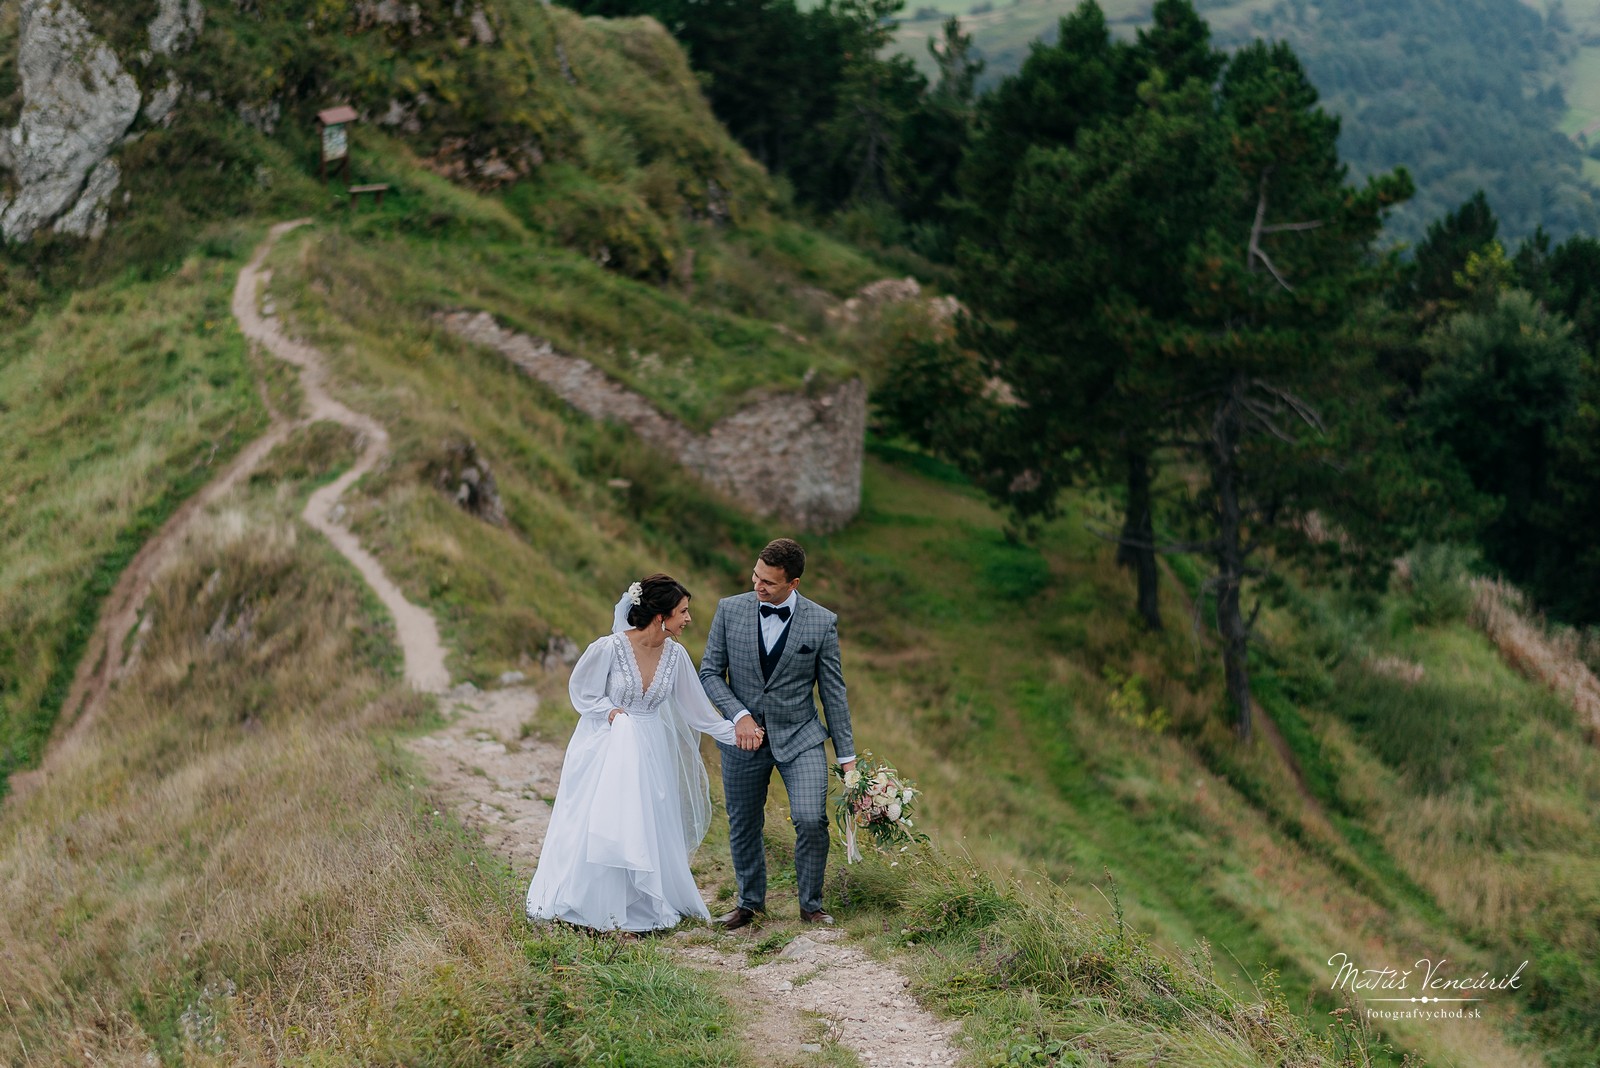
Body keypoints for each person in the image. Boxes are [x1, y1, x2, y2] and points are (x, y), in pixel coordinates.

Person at [525, 573, 763, 933]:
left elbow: (697, 711)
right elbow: (583, 693)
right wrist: (612, 713)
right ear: (660, 617)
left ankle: (643, 903)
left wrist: (738, 734)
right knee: (603, 820)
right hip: (606, 744)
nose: (688, 619)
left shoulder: (676, 656)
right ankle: (592, 904)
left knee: (645, 821)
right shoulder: (609, 648)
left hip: (651, 748)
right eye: (683, 612)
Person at [699, 538, 855, 928]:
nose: (758, 586)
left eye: (768, 582)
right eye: (756, 576)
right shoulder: (728, 609)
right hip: (742, 738)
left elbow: (833, 691)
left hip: (801, 735)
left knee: (809, 818)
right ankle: (749, 903)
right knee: (744, 820)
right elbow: (709, 674)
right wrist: (739, 716)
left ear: (793, 583)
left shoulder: (822, 622)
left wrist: (847, 757)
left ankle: (811, 906)